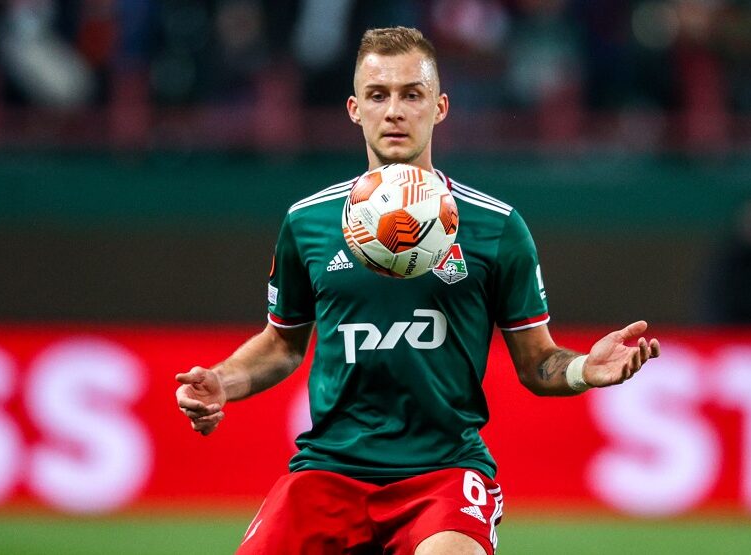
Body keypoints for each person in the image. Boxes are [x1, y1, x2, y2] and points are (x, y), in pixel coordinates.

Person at [176, 26, 660, 555]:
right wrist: (222, 381)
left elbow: (536, 362)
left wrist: (583, 369)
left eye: (412, 95)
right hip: (329, 470)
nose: (394, 111)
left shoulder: (496, 226)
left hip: (444, 474)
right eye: (377, 95)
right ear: (354, 109)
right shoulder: (307, 222)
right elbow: (282, 344)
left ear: (440, 106)